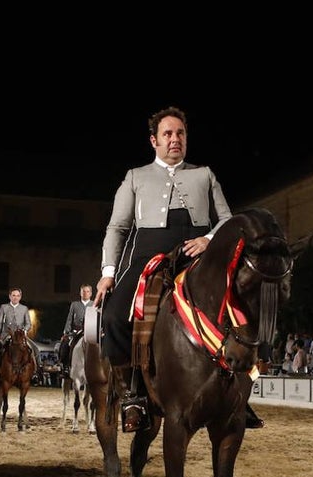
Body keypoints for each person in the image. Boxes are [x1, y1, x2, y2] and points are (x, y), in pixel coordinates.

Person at [93, 106, 263, 433]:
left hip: (196, 252)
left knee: (242, 308)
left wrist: (210, 240)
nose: (175, 139)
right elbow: (117, 227)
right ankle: (133, 393)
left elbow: (228, 219)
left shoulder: (205, 174)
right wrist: (109, 271)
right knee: (114, 314)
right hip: (147, 254)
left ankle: (241, 393)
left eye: (180, 133)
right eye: (168, 134)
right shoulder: (135, 176)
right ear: (154, 141)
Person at [0, 287, 40, 370]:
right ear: (10, 296)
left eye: (18, 296)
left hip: (21, 336)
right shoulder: (3, 307)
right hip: (7, 334)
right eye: (13, 295)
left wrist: (24, 331)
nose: (15, 297)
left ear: (20, 297)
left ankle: (37, 371)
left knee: (35, 348)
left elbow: (28, 323)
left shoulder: (24, 308)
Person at [58, 284, 94, 374]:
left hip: (91, 331)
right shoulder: (74, 304)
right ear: (80, 293)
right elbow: (69, 319)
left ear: (91, 293)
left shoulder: (94, 304)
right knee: (66, 343)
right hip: (76, 331)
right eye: (83, 291)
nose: (85, 293)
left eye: (87, 291)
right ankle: (65, 365)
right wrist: (66, 332)